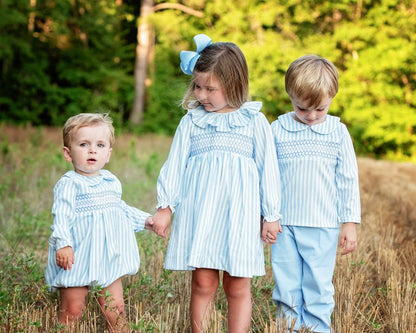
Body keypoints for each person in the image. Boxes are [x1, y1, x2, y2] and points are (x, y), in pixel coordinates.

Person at [150, 34, 282, 333]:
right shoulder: (192, 121)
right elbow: (175, 165)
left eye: (210, 88)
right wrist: (165, 206)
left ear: (234, 85)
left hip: (240, 217)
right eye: (197, 86)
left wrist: (271, 214)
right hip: (202, 215)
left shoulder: (253, 122)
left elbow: (268, 170)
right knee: (203, 281)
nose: (201, 94)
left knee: (237, 285)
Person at [270, 55, 361, 333]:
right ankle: (289, 329)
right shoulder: (277, 130)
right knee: (286, 284)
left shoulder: (337, 132)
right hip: (284, 225)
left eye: (319, 109)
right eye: (302, 108)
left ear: (332, 97)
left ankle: (318, 329)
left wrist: (349, 222)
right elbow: (268, 178)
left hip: (323, 224)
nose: (311, 116)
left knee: (318, 286)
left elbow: (348, 179)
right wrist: (266, 216)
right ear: (290, 96)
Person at [45, 113, 153, 332]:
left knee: (116, 310)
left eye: (100, 145)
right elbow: (62, 216)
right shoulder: (69, 184)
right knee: (72, 311)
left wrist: (146, 220)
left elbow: (119, 209)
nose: (92, 150)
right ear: (68, 153)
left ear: (108, 154)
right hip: (78, 256)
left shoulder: (110, 181)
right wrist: (63, 244)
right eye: (84, 144)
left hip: (107, 257)